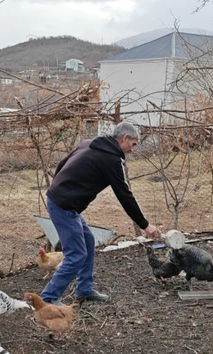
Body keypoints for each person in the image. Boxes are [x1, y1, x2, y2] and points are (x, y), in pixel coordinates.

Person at [41, 121, 162, 305]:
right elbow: (124, 195)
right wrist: (145, 225)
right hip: (63, 207)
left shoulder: (88, 143)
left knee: (88, 241)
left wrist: (58, 187)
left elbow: (62, 164)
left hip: (64, 203)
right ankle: (47, 300)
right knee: (76, 255)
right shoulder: (111, 159)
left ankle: (84, 290)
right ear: (125, 138)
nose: (132, 149)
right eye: (133, 144)